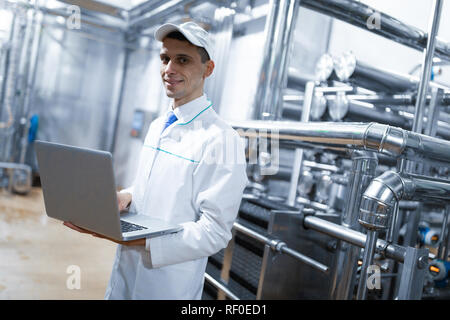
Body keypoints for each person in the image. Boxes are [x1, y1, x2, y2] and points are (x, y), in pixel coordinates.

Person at [63, 21, 248, 299]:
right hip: (125, 274)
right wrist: (126, 196)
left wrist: (133, 239)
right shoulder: (158, 125)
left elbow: (214, 232)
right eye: (165, 58)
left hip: (168, 286)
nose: (169, 69)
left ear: (208, 69)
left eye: (182, 60)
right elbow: (150, 186)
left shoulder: (223, 140)